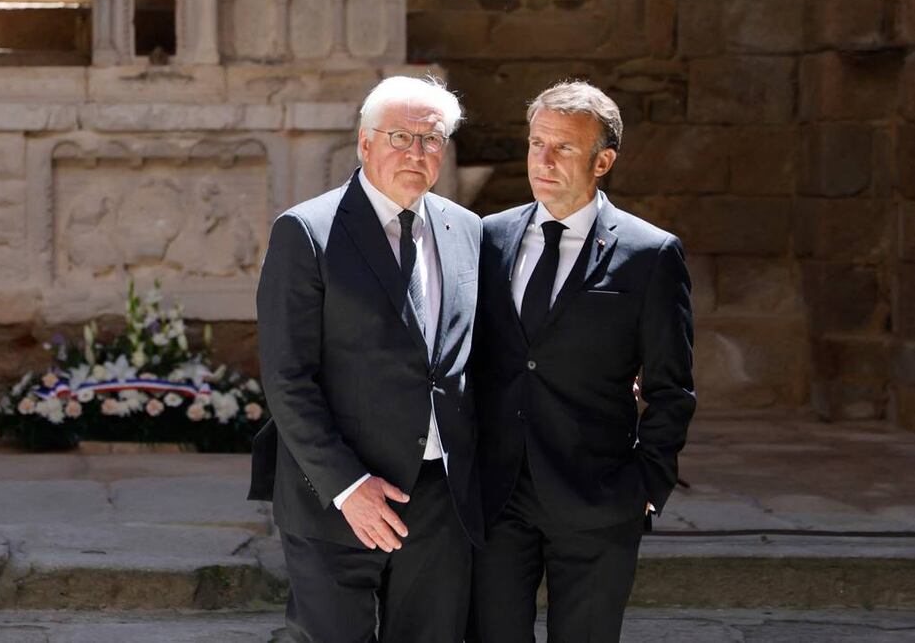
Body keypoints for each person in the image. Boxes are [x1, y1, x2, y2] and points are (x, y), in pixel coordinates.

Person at [249, 75, 483, 643]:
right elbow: (286, 377)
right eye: (399, 137)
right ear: (364, 141)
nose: (416, 153)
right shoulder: (307, 231)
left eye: (430, 140)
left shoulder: (467, 230)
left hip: (438, 496)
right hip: (335, 492)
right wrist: (349, 486)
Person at [468, 80, 695, 642]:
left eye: (563, 148)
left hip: (599, 496)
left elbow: (673, 387)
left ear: (603, 161)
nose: (542, 161)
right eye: (536, 142)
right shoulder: (486, 238)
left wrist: (649, 481)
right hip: (498, 498)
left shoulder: (650, 253)